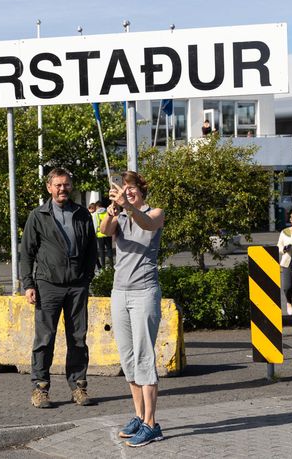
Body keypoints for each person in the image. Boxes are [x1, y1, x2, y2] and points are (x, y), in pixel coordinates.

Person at [20, 167, 98, 408]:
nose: (62, 189)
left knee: (78, 338)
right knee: (45, 338)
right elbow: (26, 253)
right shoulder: (38, 216)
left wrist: (85, 279)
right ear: (49, 188)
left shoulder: (82, 214)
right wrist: (29, 284)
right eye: (58, 185)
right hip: (48, 286)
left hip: (77, 286)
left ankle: (78, 387)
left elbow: (91, 250)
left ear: (71, 186)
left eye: (66, 184)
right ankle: (40, 388)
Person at [100, 171, 165, 447]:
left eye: (132, 189)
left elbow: (148, 225)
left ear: (141, 190)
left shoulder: (155, 212)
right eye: (124, 189)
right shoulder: (121, 215)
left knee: (143, 356)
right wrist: (113, 211)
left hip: (144, 293)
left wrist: (127, 207)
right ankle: (139, 416)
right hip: (120, 292)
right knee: (127, 358)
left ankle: (151, 423)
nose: (128, 193)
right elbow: (104, 231)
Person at [92, 200, 113, 268]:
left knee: (101, 250)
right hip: (108, 233)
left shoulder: (95, 214)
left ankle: (103, 266)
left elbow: (95, 225)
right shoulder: (108, 212)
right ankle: (111, 265)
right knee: (109, 249)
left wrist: (94, 234)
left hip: (100, 234)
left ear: (97, 206)